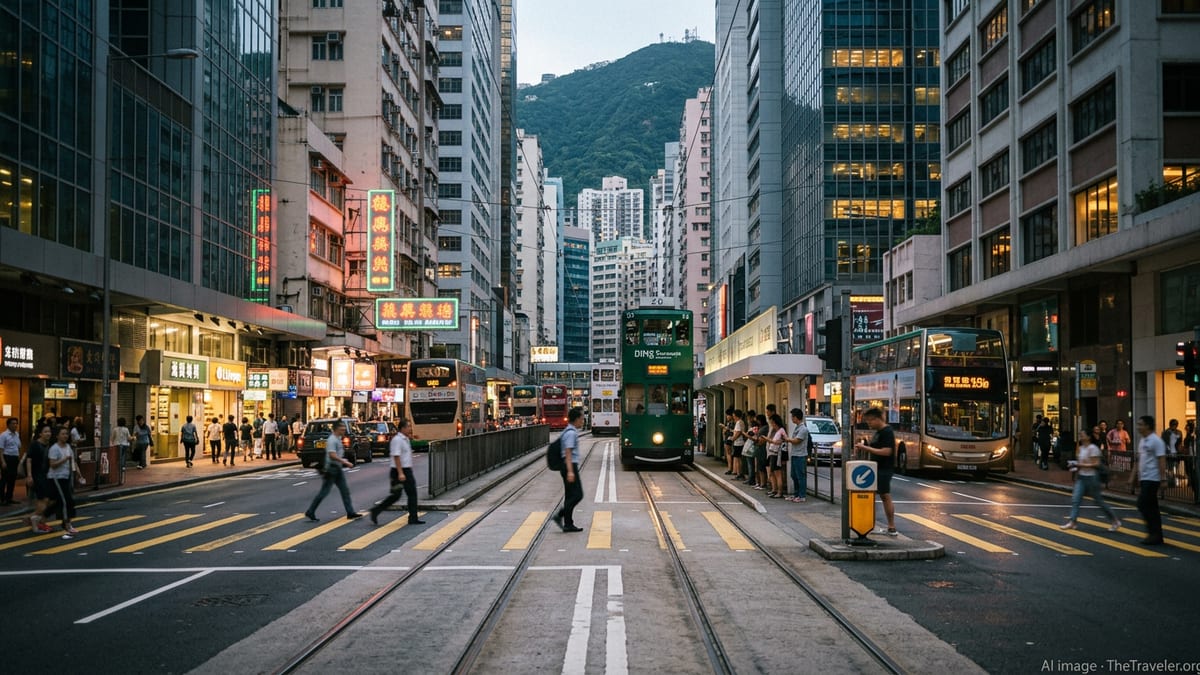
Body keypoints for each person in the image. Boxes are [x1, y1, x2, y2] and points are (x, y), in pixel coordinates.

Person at [1060, 430, 1121, 531]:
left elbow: (1095, 464)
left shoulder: (1093, 448)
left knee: (1098, 501)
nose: (1080, 436)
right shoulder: (1080, 448)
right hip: (1081, 477)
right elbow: (1080, 462)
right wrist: (1075, 467)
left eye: (1082, 435)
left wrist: (1079, 465)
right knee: (1076, 500)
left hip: (1092, 478)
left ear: (1088, 437)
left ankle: (1115, 520)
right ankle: (1072, 522)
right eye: (1080, 435)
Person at [304, 419, 362, 522]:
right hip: (331, 469)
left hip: (337, 468)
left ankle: (350, 512)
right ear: (336, 429)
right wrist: (345, 462)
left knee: (345, 491)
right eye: (342, 428)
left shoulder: (338, 438)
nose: (344, 430)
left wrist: (342, 461)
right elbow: (332, 455)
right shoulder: (332, 440)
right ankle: (311, 511)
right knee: (324, 492)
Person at [369, 418, 423, 525]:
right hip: (399, 471)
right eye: (408, 427)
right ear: (402, 428)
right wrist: (401, 473)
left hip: (406, 470)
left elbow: (405, 456)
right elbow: (396, 456)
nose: (410, 429)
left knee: (407, 494)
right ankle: (377, 511)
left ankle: (412, 517)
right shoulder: (397, 440)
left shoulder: (405, 439)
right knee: (399, 495)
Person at [854, 407, 898, 536]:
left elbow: (887, 451)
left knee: (885, 495)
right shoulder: (878, 432)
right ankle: (869, 524)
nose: (869, 424)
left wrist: (865, 448)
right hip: (875, 468)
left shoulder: (887, 432)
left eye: (870, 421)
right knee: (873, 496)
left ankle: (891, 527)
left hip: (884, 468)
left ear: (878, 419)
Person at [1130, 415, 1167, 546]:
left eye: (1140, 424)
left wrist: (1163, 479)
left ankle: (1154, 533)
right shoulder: (1143, 441)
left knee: (1143, 504)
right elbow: (1139, 459)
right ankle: (1156, 534)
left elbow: (1161, 460)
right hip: (1145, 477)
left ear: (1148, 426)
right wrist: (1133, 477)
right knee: (1151, 507)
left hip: (1153, 478)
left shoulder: (1156, 441)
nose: (1138, 427)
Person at [552, 407, 586, 533]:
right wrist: (571, 471)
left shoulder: (568, 431)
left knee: (570, 495)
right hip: (569, 466)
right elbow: (568, 453)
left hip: (567, 466)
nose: (582, 421)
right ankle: (560, 516)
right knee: (577, 495)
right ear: (576, 419)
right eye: (581, 419)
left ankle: (568, 523)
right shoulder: (571, 433)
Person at [46, 426, 83, 539]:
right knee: (66, 501)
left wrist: (78, 473)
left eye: (66, 434)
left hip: (66, 477)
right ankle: (67, 524)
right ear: (57, 436)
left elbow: (72, 461)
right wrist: (64, 460)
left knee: (59, 502)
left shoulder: (68, 447)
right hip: (56, 478)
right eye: (62, 434)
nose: (65, 436)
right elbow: (52, 464)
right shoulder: (54, 448)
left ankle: (39, 517)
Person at [23, 425, 55, 533]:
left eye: (49, 431)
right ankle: (36, 520)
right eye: (45, 431)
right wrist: (29, 475)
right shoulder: (35, 445)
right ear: (40, 433)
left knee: (49, 500)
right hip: (37, 476)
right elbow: (29, 460)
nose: (48, 433)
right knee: (43, 500)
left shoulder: (49, 445)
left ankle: (33, 518)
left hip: (47, 476)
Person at [785, 408, 810, 502]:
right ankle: (796, 494)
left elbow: (797, 440)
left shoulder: (803, 429)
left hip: (800, 455)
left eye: (792, 416)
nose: (791, 418)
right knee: (794, 475)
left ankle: (802, 495)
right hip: (795, 454)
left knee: (800, 476)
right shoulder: (797, 427)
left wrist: (787, 439)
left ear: (796, 417)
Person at [0, 417, 22, 505]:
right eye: (13, 423)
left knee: (12, 479)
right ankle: (2, 499)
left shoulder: (17, 434)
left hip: (14, 458)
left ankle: (9, 497)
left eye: (16, 423)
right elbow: (0, 449)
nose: (15, 425)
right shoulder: (3, 435)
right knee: (4, 479)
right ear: (8, 425)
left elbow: (19, 446)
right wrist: (3, 461)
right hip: (6, 458)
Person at [765, 413, 787, 498]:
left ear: (775, 422)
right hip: (773, 453)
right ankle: (775, 490)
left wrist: (770, 440)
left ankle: (779, 492)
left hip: (777, 454)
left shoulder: (781, 430)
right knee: (773, 472)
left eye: (772, 423)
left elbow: (782, 441)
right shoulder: (778, 431)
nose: (772, 425)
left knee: (778, 473)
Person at [1162, 418, 1182, 488]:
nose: (1175, 426)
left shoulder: (1178, 432)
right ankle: (1171, 482)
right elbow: (1164, 443)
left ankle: (1174, 482)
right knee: (1170, 468)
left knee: (1175, 467)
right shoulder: (1166, 432)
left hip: (1176, 453)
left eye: (1176, 425)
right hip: (1169, 453)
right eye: (1173, 425)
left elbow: (1179, 442)